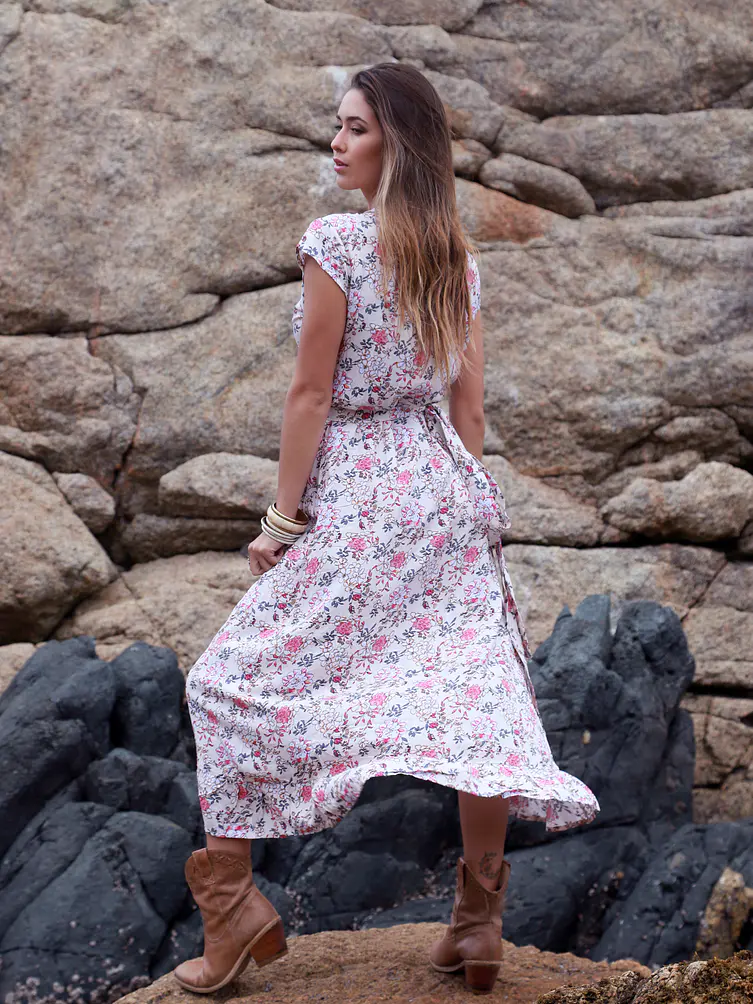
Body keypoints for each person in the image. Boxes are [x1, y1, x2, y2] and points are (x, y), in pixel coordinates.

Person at [173, 62, 599, 996]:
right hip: (445, 487)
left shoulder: (337, 241)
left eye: (356, 128)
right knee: (472, 692)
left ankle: (232, 909)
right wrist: (462, 511)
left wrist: (281, 520)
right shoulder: (455, 255)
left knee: (224, 679)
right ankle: (478, 922)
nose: (337, 143)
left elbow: (311, 394)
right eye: (337, 126)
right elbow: (468, 407)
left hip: (361, 490)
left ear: (397, 144)